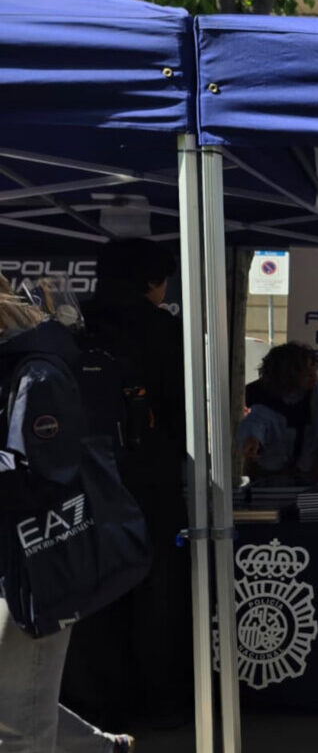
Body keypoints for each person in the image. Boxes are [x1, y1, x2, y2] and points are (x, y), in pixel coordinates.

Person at [0, 280, 135, 752]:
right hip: (18, 562)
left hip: (31, 565)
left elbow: (41, 474)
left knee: (18, 727)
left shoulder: (36, 372)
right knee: (18, 707)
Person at [71, 238, 190, 727]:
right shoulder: (165, 331)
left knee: (94, 593)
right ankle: (159, 702)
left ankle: (96, 702)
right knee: (156, 593)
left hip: (82, 485)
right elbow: (186, 413)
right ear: (151, 282)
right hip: (150, 485)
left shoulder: (73, 326)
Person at [238, 342, 318, 484]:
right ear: (287, 374)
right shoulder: (261, 396)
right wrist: (252, 439)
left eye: (314, 370)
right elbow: (256, 421)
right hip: (268, 480)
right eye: (307, 373)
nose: (314, 377)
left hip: (313, 477)